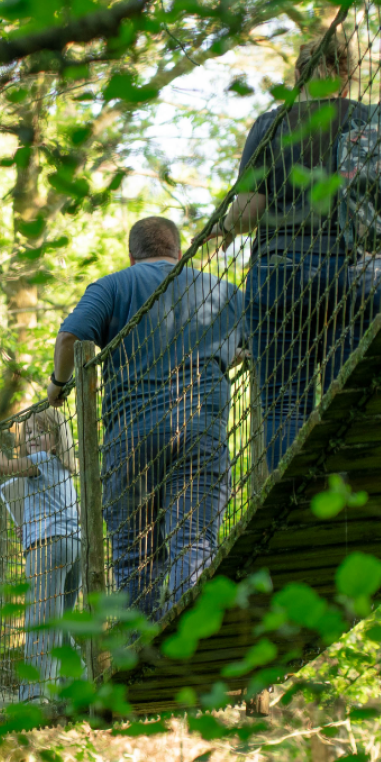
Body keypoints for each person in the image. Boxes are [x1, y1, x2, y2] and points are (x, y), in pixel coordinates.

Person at [221, 31, 381, 472]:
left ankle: (295, 504)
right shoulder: (371, 121)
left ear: (298, 75)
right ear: (348, 74)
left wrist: (224, 227)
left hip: (282, 275)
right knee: (349, 398)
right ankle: (346, 505)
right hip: (358, 275)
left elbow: (247, 213)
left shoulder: (272, 125)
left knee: (284, 407)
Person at [47, 216, 243, 621]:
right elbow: (251, 347)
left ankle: (141, 655)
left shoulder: (113, 286)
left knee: (135, 553)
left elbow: (69, 338)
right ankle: (191, 643)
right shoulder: (223, 291)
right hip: (200, 430)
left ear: (132, 254)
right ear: (176, 250)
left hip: (131, 438)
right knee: (194, 542)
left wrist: (57, 385)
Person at [0, 409, 81, 703]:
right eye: (29, 432)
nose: (33, 437)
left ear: (57, 441)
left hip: (47, 550)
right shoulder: (63, 472)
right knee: (60, 623)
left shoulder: (41, 460)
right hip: (73, 549)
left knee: (41, 619)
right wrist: (32, 526)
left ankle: (36, 693)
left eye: (42, 431)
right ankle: (82, 682)